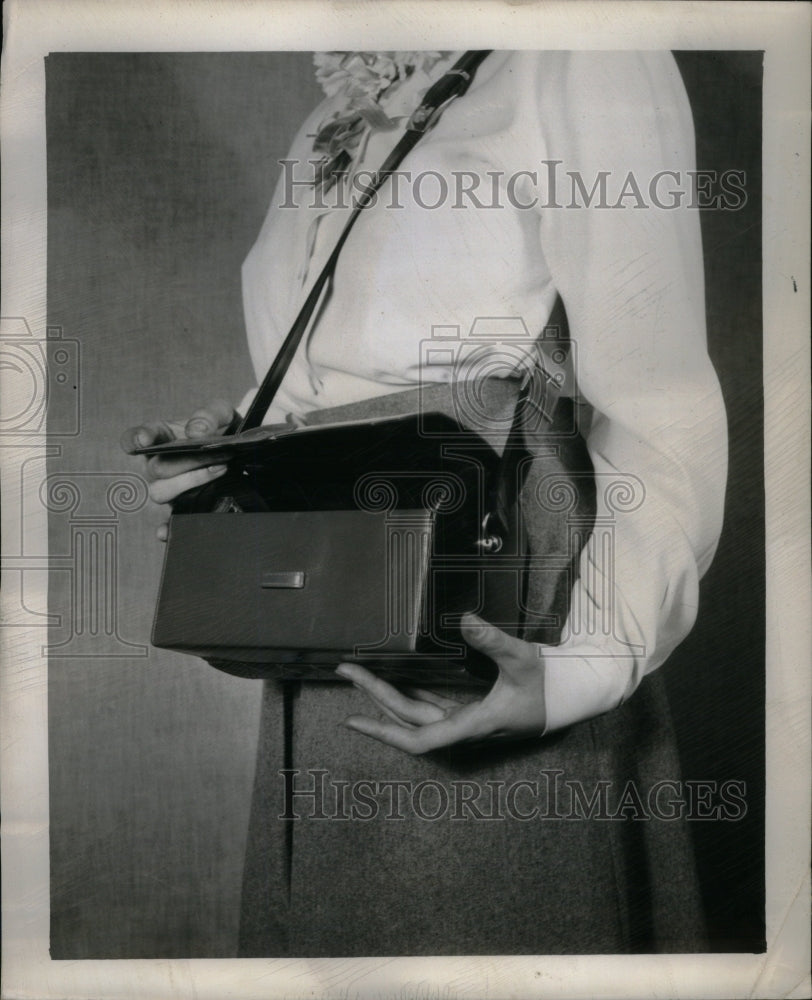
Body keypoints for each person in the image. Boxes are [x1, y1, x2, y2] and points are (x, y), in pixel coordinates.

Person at [123, 50, 727, 956]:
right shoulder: (336, 110)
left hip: (498, 636)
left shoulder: (584, 54)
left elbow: (659, 402)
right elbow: (338, 386)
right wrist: (237, 451)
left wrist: (584, 669)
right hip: (327, 635)